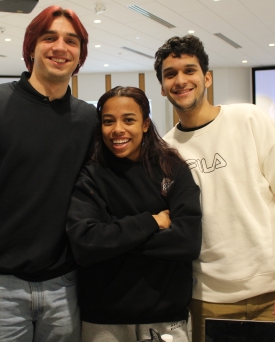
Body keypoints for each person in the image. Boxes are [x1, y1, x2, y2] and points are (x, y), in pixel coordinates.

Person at [0, 5, 96, 342]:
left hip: (64, 288)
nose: (60, 47)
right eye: (49, 37)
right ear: (31, 47)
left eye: (71, 41)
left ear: (80, 54)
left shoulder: (88, 120)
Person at [154, 34, 275, 342]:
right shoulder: (165, 150)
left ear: (207, 78)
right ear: (162, 87)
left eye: (190, 70)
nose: (181, 80)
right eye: (170, 74)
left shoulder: (250, 120)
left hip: (274, 294)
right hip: (206, 299)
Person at [66, 86, 202, 342]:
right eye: (108, 121)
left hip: (167, 317)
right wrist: (152, 221)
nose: (118, 129)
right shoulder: (91, 176)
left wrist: (113, 238)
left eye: (129, 119)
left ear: (146, 124)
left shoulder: (172, 169)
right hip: (103, 320)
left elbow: (187, 242)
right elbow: (85, 243)